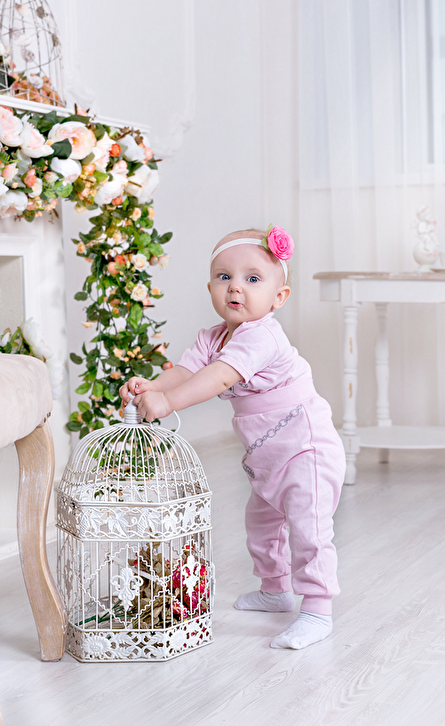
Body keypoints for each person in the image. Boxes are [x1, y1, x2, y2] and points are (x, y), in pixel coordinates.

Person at [120, 226, 346, 649]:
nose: (235, 287)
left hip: (306, 449)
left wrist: (167, 403)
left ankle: (318, 609)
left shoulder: (262, 335)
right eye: (224, 277)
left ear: (279, 297)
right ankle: (275, 589)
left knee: (309, 529)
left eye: (252, 278)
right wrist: (152, 387)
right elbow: (186, 372)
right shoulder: (213, 336)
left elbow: (219, 377)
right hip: (267, 456)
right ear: (210, 288)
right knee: (261, 523)